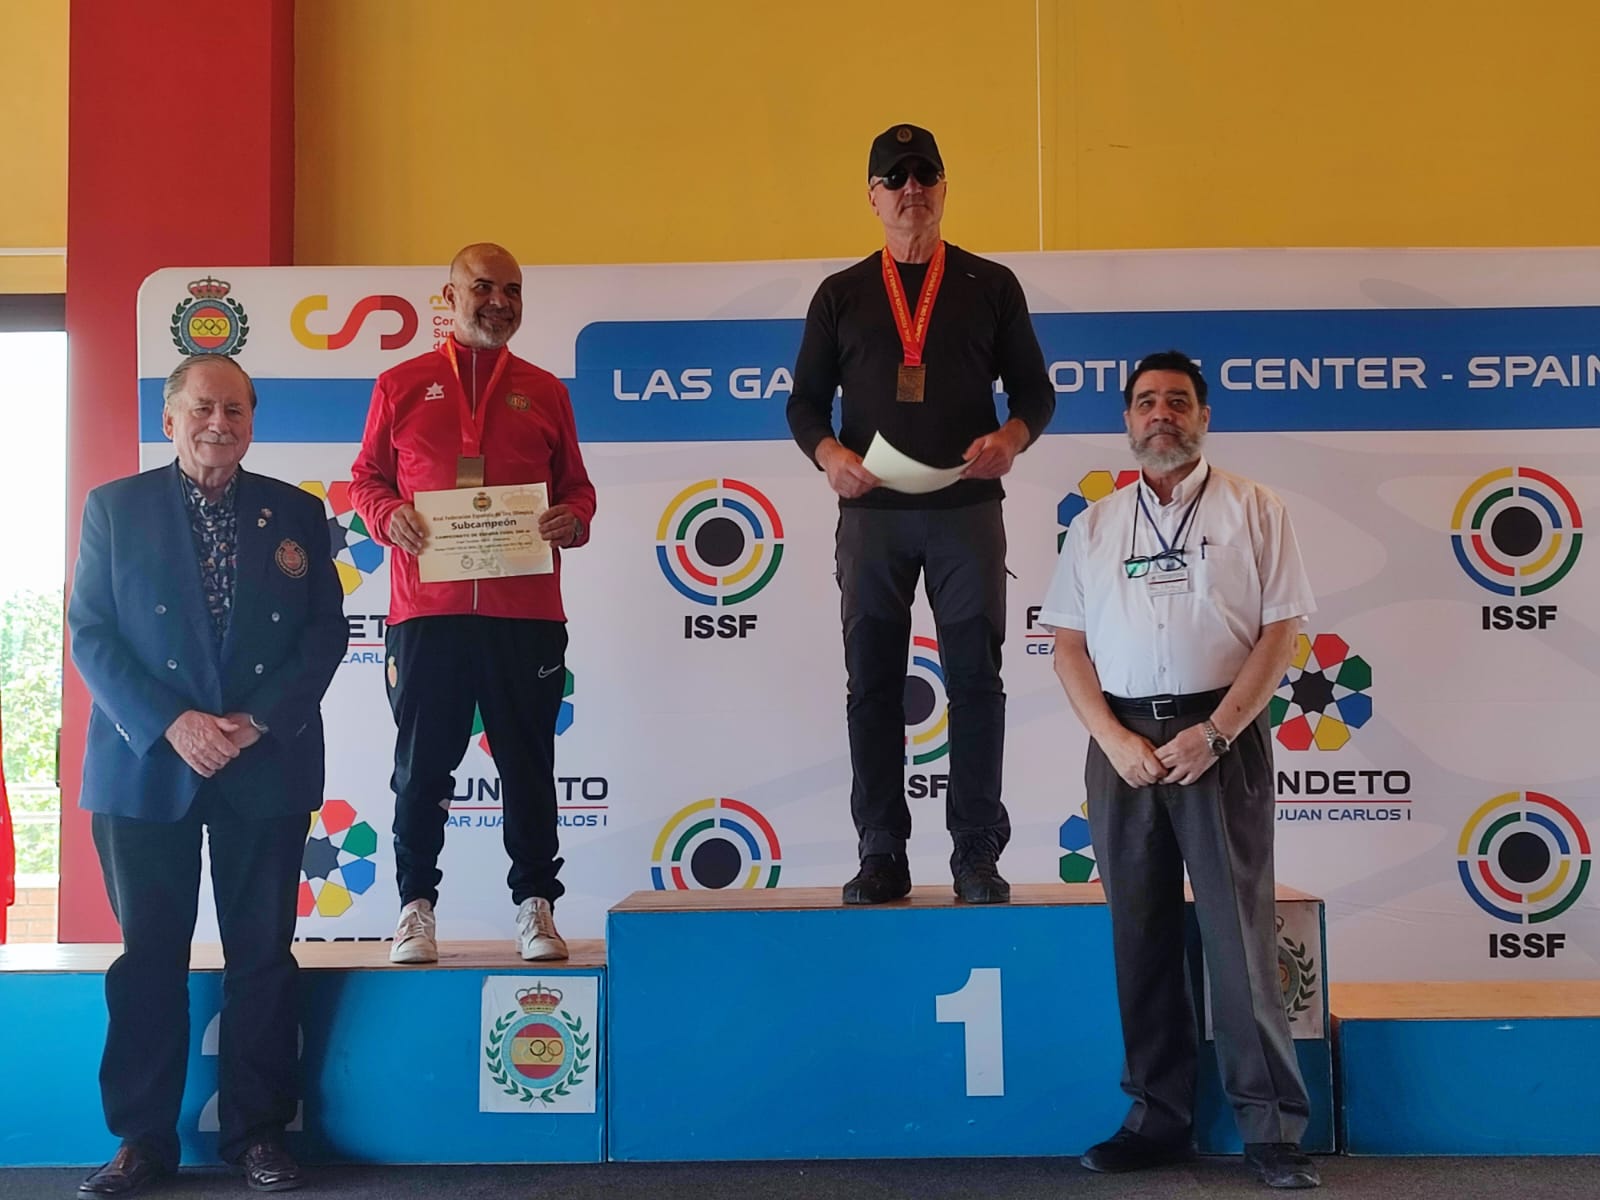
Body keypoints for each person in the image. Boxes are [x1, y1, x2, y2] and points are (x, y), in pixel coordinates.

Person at [1039, 350, 1320, 1189]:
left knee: (1238, 938)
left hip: (1219, 736)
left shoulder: (1255, 509)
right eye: (1146, 402)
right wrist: (1112, 739)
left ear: (1203, 417)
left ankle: (1271, 1131)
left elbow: (1279, 634)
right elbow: (1068, 647)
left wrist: (1219, 733)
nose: (1161, 413)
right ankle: (1156, 1120)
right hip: (1122, 743)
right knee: (1142, 937)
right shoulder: (1094, 526)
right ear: (1128, 420)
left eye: (1177, 401)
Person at [69, 353, 346, 1196]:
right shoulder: (113, 508)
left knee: (262, 956)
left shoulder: (297, 512)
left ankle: (258, 1134)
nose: (218, 423)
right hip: (147, 764)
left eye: (234, 409)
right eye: (202, 408)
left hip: (264, 761)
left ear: (252, 422)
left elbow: (324, 634)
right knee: (148, 958)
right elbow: (91, 632)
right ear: (170, 418)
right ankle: (141, 1141)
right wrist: (174, 723)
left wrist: (255, 721)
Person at [786, 123, 1055, 906]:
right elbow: (804, 403)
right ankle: (881, 850)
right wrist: (829, 455)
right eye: (895, 177)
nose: (912, 189)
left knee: (975, 679)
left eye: (925, 174)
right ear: (872, 197)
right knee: (873, 683)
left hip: (965, 511)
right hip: (873, 515)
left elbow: (1036, 393)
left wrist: (1011, 437)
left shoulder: (990, 284)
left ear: (943, 188)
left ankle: (976, 852)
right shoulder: (840, 294)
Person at [351, 242, 595, 965]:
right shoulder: (400, 384)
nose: (499, 302)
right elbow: (365, 479)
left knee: (528, 765)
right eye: (483, 287)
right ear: (449, 297)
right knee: (422, 769)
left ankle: (536, 905)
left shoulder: (545, 390)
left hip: (527, 616)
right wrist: (387, 513)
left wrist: (573, 518)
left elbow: (577, 489)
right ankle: (415, 908)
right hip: (427, 612)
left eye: (512, 290)